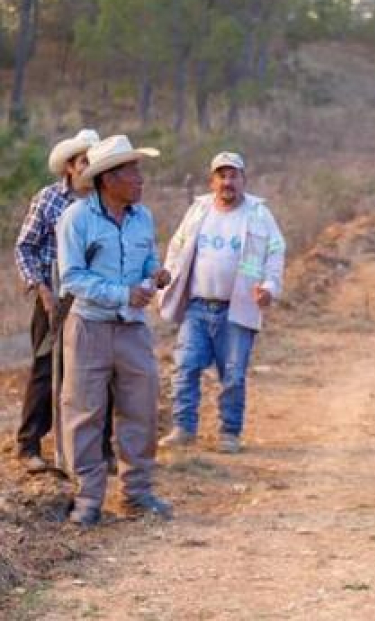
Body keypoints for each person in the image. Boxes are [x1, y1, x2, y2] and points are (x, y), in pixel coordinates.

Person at [57, 134, 171, 527]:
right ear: (108, 179)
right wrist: (124, 294)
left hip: (132, 328)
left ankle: (136, 494)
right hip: (88, 327)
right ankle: (87, 499)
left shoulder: (143, 217)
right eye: (132, 171)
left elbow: (148, 258)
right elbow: (72, 277)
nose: (141, 179)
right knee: (84, 412)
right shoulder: (76, 219)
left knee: (140, 407)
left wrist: (155, 273)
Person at [158, 152, 286, 454]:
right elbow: (177, 247)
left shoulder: (258, 214)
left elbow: (276, 251)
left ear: (244, 180)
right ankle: (183, 428)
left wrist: (270, 287)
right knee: (185, 367)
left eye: (233, 176)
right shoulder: (198, 211)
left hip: (237, 308)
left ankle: (229, 432)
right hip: (198, 307)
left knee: (233, 375)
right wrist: (168, 282)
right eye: (222, 176)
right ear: (212, 181)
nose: (227, 182)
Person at [13, 129, 103, 473]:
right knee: (46, 367)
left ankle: (96, 449)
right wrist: (42, 289)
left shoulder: (105, 201)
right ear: (69, 166)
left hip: (95, 299)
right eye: (83, 162)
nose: (89, 168)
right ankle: (29, 444)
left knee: (97, 372)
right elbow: (25, 247)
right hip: (54, 296)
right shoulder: (49, 199)